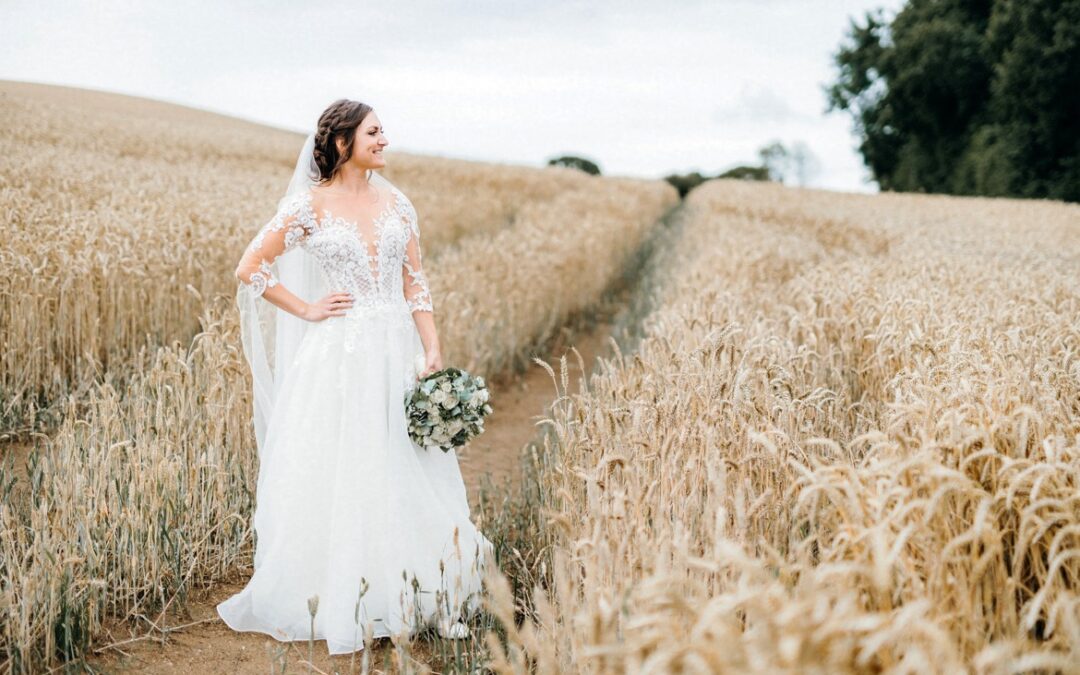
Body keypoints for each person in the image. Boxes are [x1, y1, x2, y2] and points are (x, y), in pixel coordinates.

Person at [216, 98, 493, 655]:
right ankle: (349, 595)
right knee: (345, 466)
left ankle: (421, 594)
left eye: (383, 131)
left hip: (395, 351)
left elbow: (416, 281)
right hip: (338, 356)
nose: (384, 140)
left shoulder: (399, 206)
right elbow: (251, 268)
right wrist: (308, 308)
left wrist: (432, 345)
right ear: (343, 143)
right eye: (374, 132)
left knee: (405, 465)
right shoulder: (308, 206)